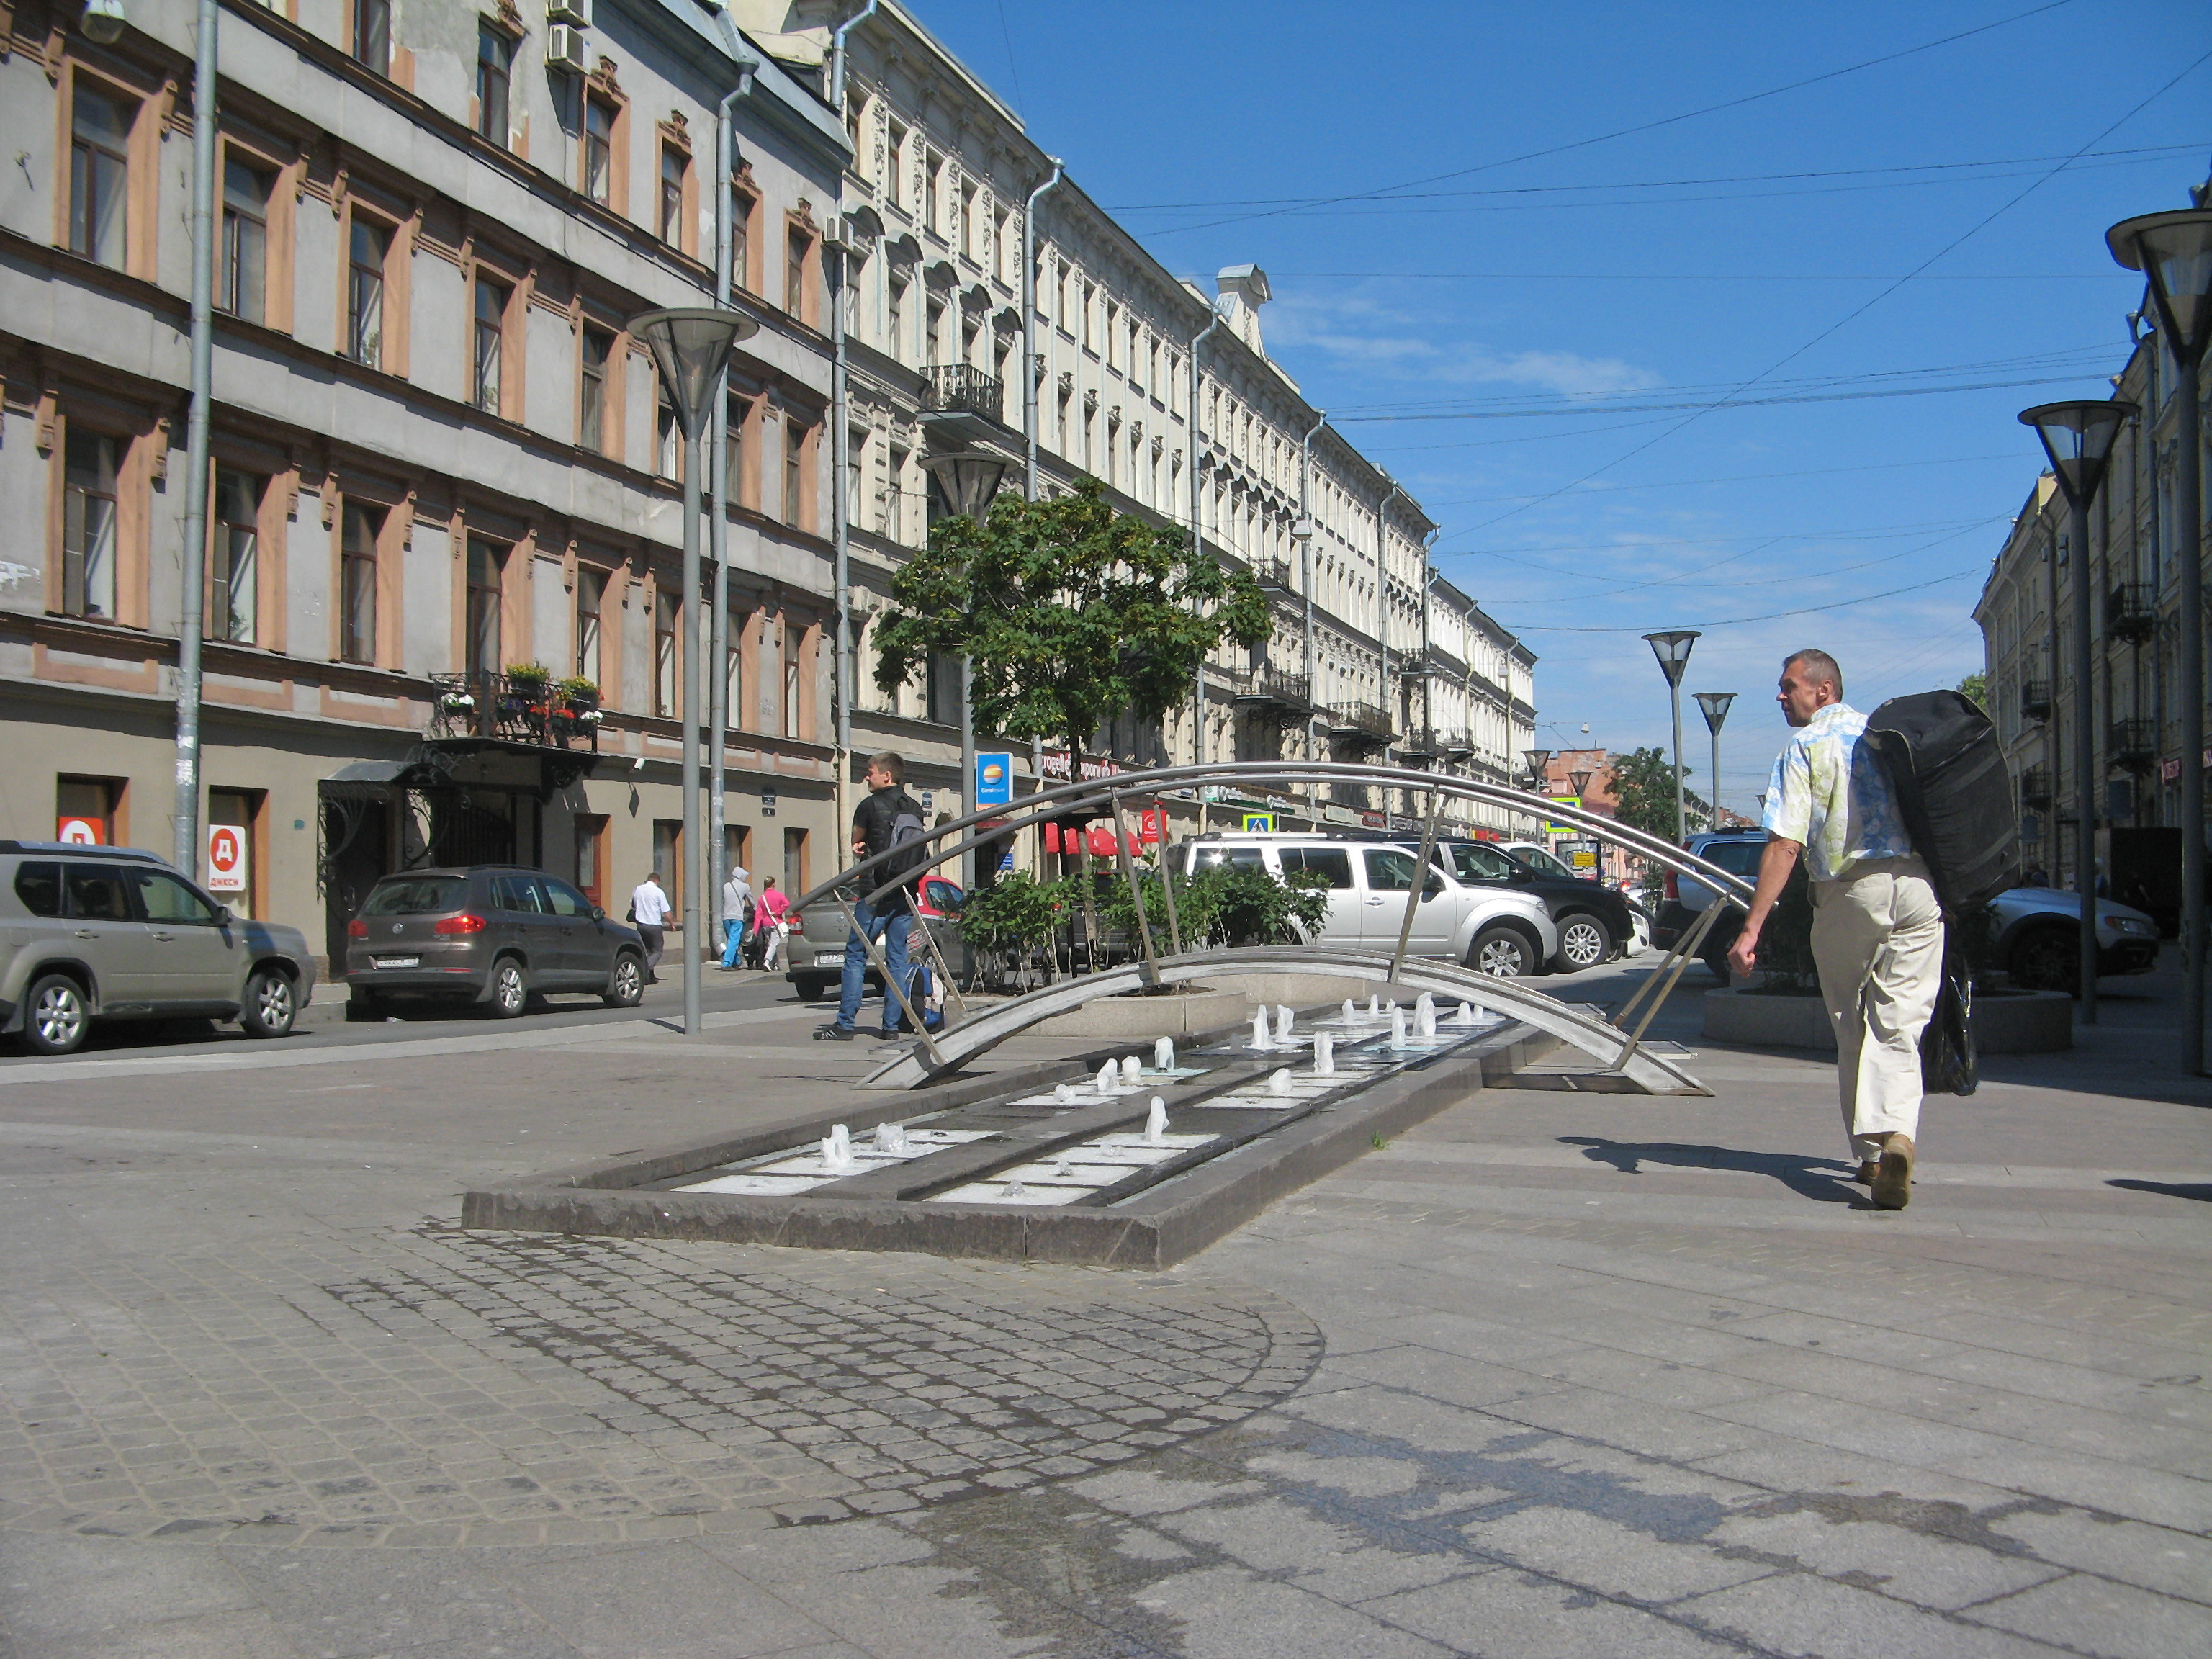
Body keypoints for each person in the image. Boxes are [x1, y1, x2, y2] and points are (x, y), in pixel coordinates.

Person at [1727, 649, 1941, 1212]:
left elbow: (1785, 844)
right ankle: (1899, 1135)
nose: (1780, 696)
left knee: (1853, 1023)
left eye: (1788, 685)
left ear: (1823, 691)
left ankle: (1872, 1154)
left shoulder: (1806, 747)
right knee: (1899, 1024)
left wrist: (1752, 928)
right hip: (1920, 889)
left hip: (1853, 889)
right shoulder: (1889, 738)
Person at [815, 752, 925, 1042]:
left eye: (871, 771)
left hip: (875, 891)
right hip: (904, 891)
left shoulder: (869, 805)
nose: (867, 776)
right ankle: (891, 1027)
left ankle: (845, 1024)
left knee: (856, 954)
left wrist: (860, 847)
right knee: (898, 958)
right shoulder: (914, 807)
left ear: (886, 775)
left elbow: (857, 841)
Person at [629, 871, 672, 984]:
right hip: (654, 925)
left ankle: (650, 977)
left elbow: (633, 904)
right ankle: (644, 970)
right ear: (656, 881)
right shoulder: (658, 892)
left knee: (647, 950)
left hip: (641, 925)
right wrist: (672, 924)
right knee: (657, 950)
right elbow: (666, 912)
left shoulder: (638, 889)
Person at [719, 864, 753, 971]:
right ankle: (726, 963)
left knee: (732, 941)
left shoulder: (726, 886)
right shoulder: (745, 886)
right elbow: (752, 901)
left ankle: (736, 962)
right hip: (737, 916)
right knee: (734, 941)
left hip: (726, 916)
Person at [755, 878, 791, 969]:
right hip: (775, 922)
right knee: (774, 943)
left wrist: (756, 929)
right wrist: (778, 912)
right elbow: (787, 904)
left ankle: (775, 964)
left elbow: (758, 915)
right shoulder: (779, 895)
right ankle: (767, 961)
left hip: (765, 924)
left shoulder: (762, 898)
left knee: (771, 944)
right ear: (773, 884)